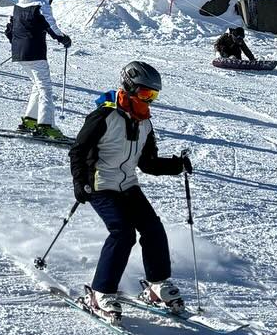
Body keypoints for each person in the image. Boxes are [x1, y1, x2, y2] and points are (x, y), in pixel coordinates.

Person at [68, 60, 192, 321]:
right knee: (123, 233)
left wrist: (177, 165)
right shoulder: (104, 116)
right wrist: (80, 182)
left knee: (153, 228)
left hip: (128, 185)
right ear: (129, 86)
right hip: (101, 184)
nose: (150, 101)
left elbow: (148, 164)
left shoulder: (145, 122)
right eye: (146, 94)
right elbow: (78, 150)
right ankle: (100, 293)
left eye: (153, 96)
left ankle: (157, 285)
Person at [7, 0, 72, 142]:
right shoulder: (41, 4)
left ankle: (30, 120)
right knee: (45, 89)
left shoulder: (19, 6)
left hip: (19, 53)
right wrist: (62, 38)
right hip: (35, 52)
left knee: (38, 85)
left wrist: (20, 44)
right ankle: (46, 126)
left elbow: (9, 30)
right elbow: (50, 24)